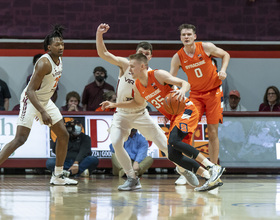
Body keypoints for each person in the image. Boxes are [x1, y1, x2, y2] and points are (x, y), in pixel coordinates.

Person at [102, 53, 225, 191]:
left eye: (132, 66)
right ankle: (210, 178)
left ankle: (212, 166)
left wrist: (182, 91)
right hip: (174, 117)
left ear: (142, 66)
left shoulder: (158, 75)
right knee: (173, 155)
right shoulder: (137, 85)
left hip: (186, 109)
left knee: (174, 141)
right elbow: (136, 102)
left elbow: (185, 83)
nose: (129, 69)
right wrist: (115, 105)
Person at [96, 23, 191, 191]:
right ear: (136, 54)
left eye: (147, 54)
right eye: (141, 53)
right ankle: (132, 178)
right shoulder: (125, 65)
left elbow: (140, 102)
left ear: (150, 58)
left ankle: (184, 170)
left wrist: (180, 94)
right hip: (122, 114)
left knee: (164, 145)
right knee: (116, 142)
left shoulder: (153, 75)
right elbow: (103, 53)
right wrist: (99, 34)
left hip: (140, 113)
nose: (143, 56)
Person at [0, 25, 77, 185]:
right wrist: (42, 111)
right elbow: (30, 91)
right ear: (49, 47)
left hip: (44, 100)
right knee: (20, 139)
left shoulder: (60, 60)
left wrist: (46, 107)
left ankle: (58, 176)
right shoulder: (44, 63)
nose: (61, 47)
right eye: (57, 44)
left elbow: (49, 87)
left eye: (62, 44)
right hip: (31, 100)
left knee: (63, 135)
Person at [170, 24, 230, 165]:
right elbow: (170, 79)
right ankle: (188, 168)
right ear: (180, 38)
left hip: (214, 93)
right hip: (195, 95)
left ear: (195, 36)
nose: (186, 37)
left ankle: (214, 168)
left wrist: (223, 70)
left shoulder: (206, 47)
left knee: (212, 131)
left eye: (189, 34)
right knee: (187, 131)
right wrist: (175, 92)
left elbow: (225, 54)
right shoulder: (177, 57)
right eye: (183, 34)